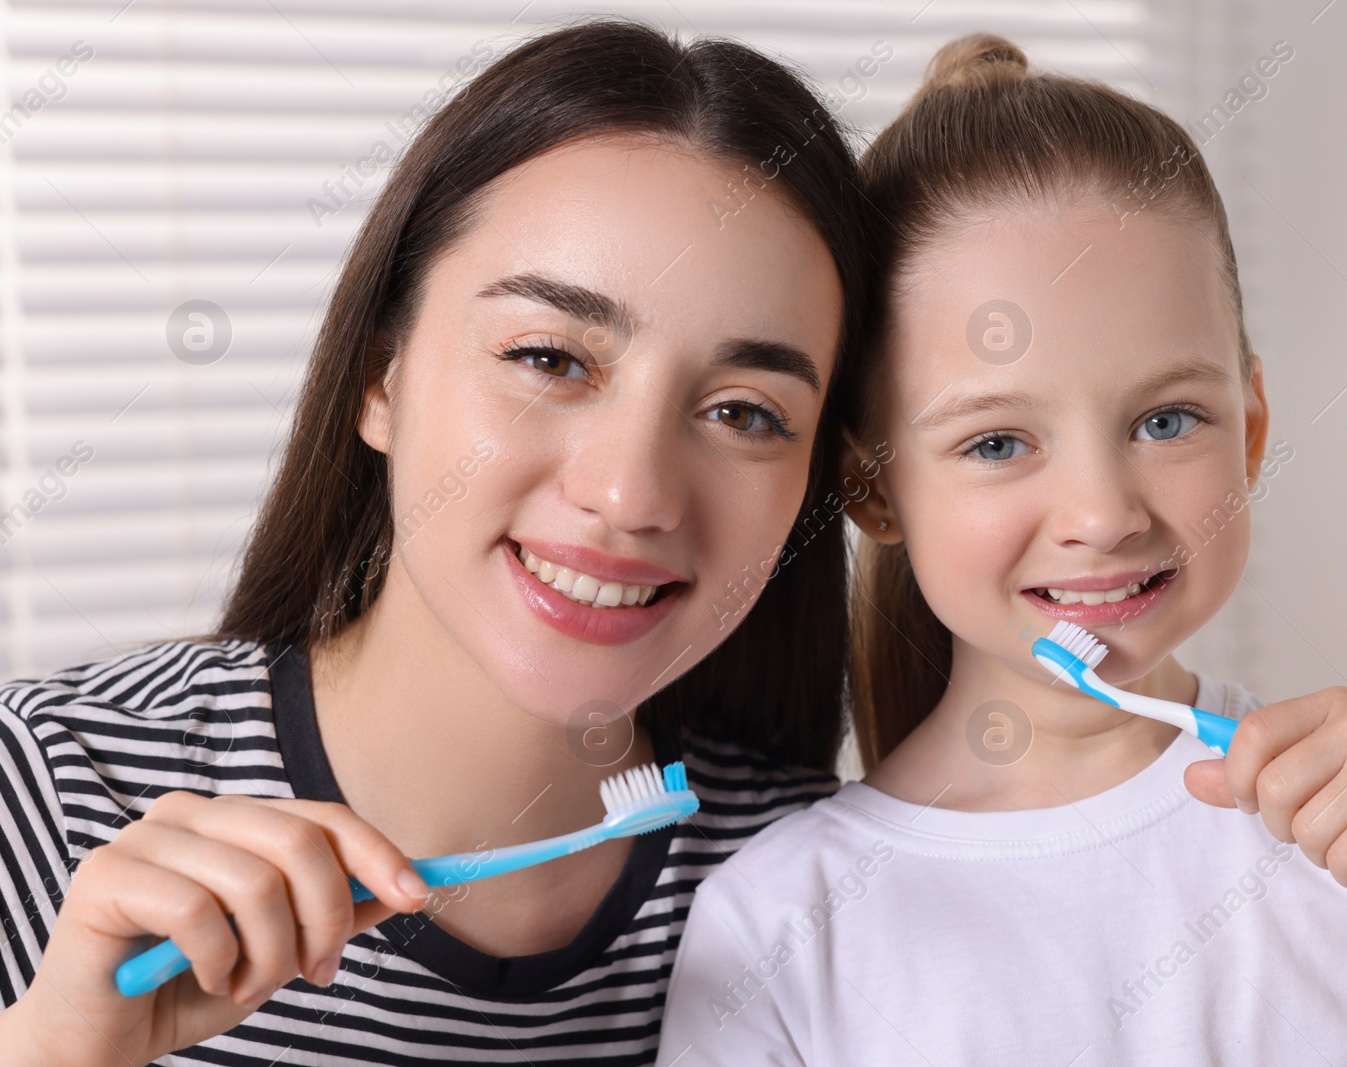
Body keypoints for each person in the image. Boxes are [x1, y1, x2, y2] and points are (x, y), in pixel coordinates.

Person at [657, 35, 1347, 1066]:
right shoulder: (778, 925)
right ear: (872, 487)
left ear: (1248, 431)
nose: (1102, 513)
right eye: (998, 441)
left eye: (1164, 420)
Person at [0, 19, 873, 1066]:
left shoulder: (826, 889)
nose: (630, 492)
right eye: (549, 357)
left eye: (743, 412)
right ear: (381, 377)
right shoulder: (50, 786)